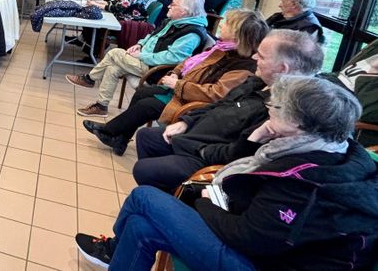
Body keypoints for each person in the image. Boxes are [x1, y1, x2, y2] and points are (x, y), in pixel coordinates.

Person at [76, 75, 378, 271]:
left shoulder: (304, 181)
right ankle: (114, 253)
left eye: (276, 107)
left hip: (264, 262)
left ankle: (112, 249)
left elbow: (249, 237)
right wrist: (257, 136)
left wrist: (204, 203)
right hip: (262, 242)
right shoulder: (338, 149)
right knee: (141, 227)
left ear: (299, 123)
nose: (269, 109)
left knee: (144, 197)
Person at [131, 29, 324, 192]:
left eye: (262, 56)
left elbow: (238, 153)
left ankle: (169, 197)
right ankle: (164, 193)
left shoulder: (281, 111)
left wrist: (198, 148)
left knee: (144, 169)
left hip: (207, 158)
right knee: (147, 137)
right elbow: (217, 104)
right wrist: (186, 122)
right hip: (195, 138)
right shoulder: (256, 81)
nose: (254, 57)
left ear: (282, 68)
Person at [83, 9, 270, 155]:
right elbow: (188, 62)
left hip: (194, 102)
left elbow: (217, 94)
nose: (221, 25)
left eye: (227, 23)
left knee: (146, 105)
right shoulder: (220, 48)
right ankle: (120, 138)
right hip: (181, 87)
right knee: (142, 93)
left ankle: (110, 132)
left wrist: (178, 85)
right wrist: (175, 73)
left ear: (238, 34)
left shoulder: (243, 64)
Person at [68, 0, 209, 117]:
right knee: (113, 68)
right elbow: (152, 35)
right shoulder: (174, 21)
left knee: (114, 53)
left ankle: (89, 79)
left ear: (184, 11)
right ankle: (101, 106)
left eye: (173, 4)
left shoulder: (191, 33)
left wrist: (141, 56)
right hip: (146, 60)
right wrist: (140, 44)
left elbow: (173, 58)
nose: (168, 6)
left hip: (157, 71)